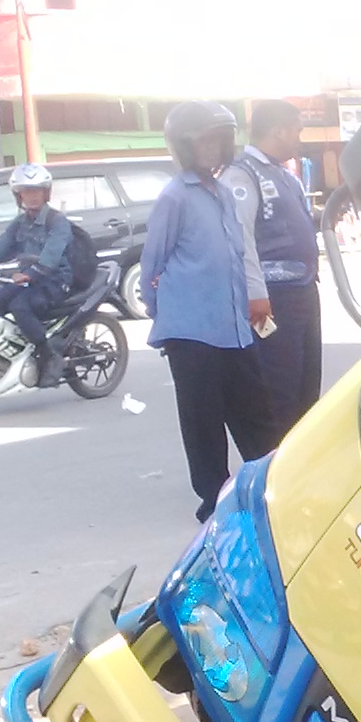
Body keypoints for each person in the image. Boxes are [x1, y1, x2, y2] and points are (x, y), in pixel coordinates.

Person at [144, 102, 273, 521]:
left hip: (233, 328)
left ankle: (271, 490)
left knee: (257, 418)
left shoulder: (221, 193)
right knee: (204, 426)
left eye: (219, 140)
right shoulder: (175, 197)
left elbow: (235, 258)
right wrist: (165, 316)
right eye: (203, 141)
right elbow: (152, 264)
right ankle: (214, 507)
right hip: (192, 334)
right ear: (184, 146)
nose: (212, 149)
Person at [221, 99, 322, 443]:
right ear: (278, 129)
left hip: (303, 293)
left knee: (307, 386)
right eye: (297, 129)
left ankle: (302, 459)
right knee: (280, 388)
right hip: (272, 301)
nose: (299, 138)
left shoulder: (284, 175)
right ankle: (277, 466)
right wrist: (256, 294)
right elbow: (242, 238)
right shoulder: (242, 174)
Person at [0, 164, 85, 380]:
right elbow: (0, 248)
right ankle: (6, 351)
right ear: (18, 195)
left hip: (55, 281)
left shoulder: (57, 222)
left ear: (46, 193)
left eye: (36, 191)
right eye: (26, 192)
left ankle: (48, 354)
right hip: (29, 280)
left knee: (19, 305)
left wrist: (30, 274)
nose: (32, 197)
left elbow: (50, 259)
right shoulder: (19, 223)